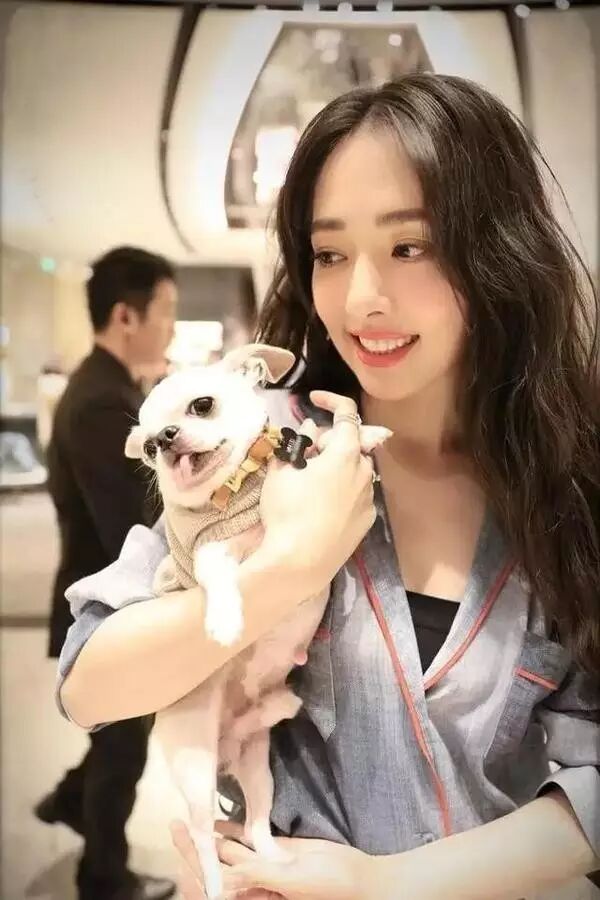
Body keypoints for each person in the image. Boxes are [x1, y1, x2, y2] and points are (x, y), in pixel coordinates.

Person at [56, 76, 599, 899]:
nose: (363, 298)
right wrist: (290, 570)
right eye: (331, 254)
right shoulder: (262, 445)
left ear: (498, 249)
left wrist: (387, 885)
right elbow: (89, 681)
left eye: (410, 247)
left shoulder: (566, 476)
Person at [37, 246, 178, 900]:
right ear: (127, 316)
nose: (170, 327)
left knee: (116, 740)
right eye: (166, 311)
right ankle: (103, 879)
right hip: (103, 604)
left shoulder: (106, 387)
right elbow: (128, 519)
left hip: (101, 595)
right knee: (124, 749)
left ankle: (70, 799)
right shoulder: (101, 401)